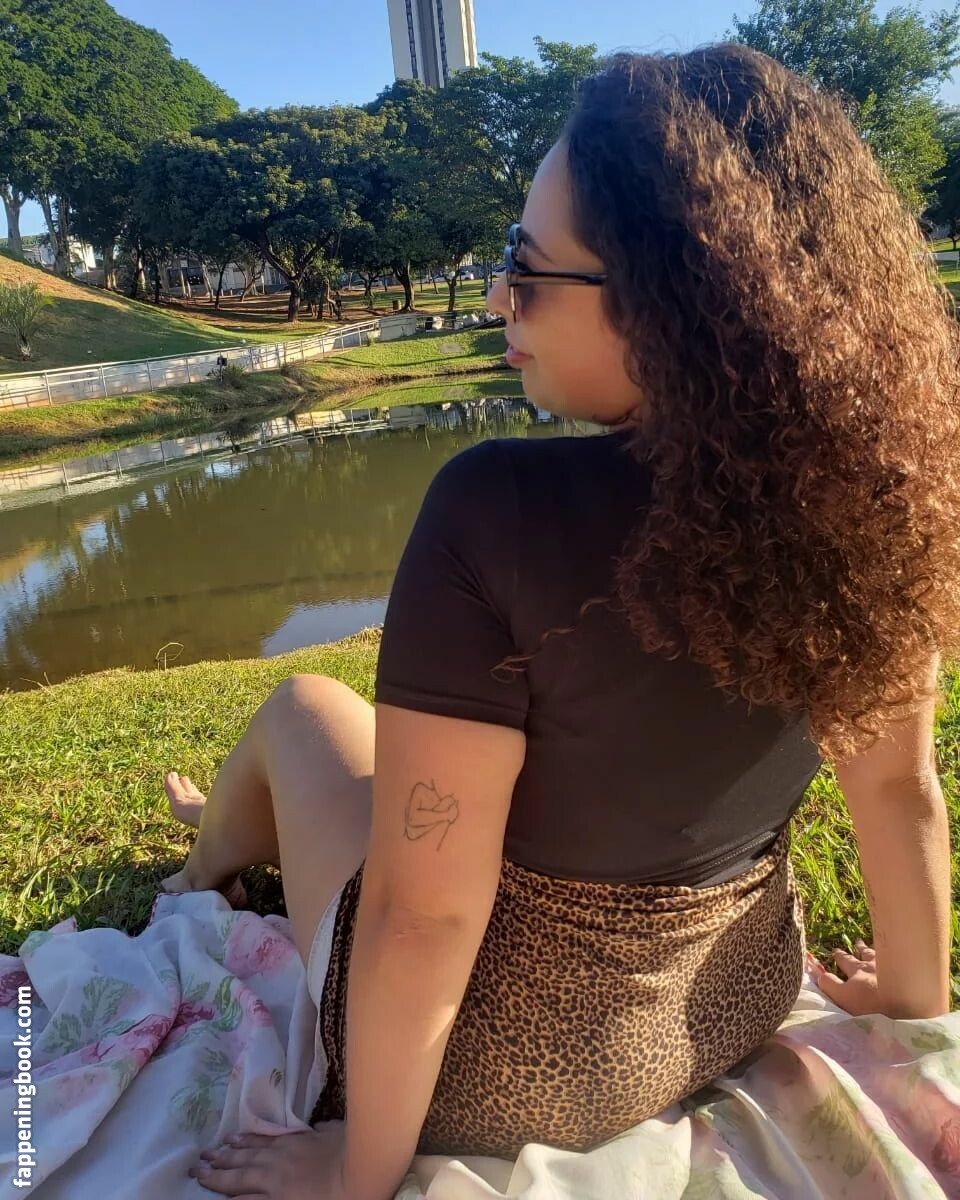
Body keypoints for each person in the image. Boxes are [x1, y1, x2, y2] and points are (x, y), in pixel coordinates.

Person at [166, 43, 959, 1200]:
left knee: (302, 709)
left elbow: (425, 915)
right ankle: (231, 832)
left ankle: (200, 871)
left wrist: (361, 1170)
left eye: (524, 269)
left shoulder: (496, 508)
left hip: (492, 1075)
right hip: (726, 1005)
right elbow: (899, 794)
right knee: (384, 767)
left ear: (667, 300)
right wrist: (913, 1006)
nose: (499, 299)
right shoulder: (874, 500)